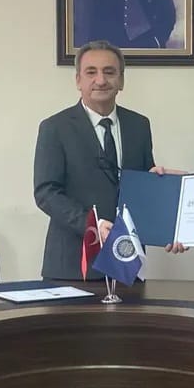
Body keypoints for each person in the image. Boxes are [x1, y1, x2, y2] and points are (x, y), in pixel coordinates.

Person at [34, 40, 169, 281]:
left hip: (127, 263)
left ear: (121, 80)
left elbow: (142, 186)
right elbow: (46, 193)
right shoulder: (55, 128)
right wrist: (92, 224)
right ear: (78, 80)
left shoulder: (139, 125)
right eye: (91, 72)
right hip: (73, 265)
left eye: (109, 72)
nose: (101, 80)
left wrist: (168, 222)